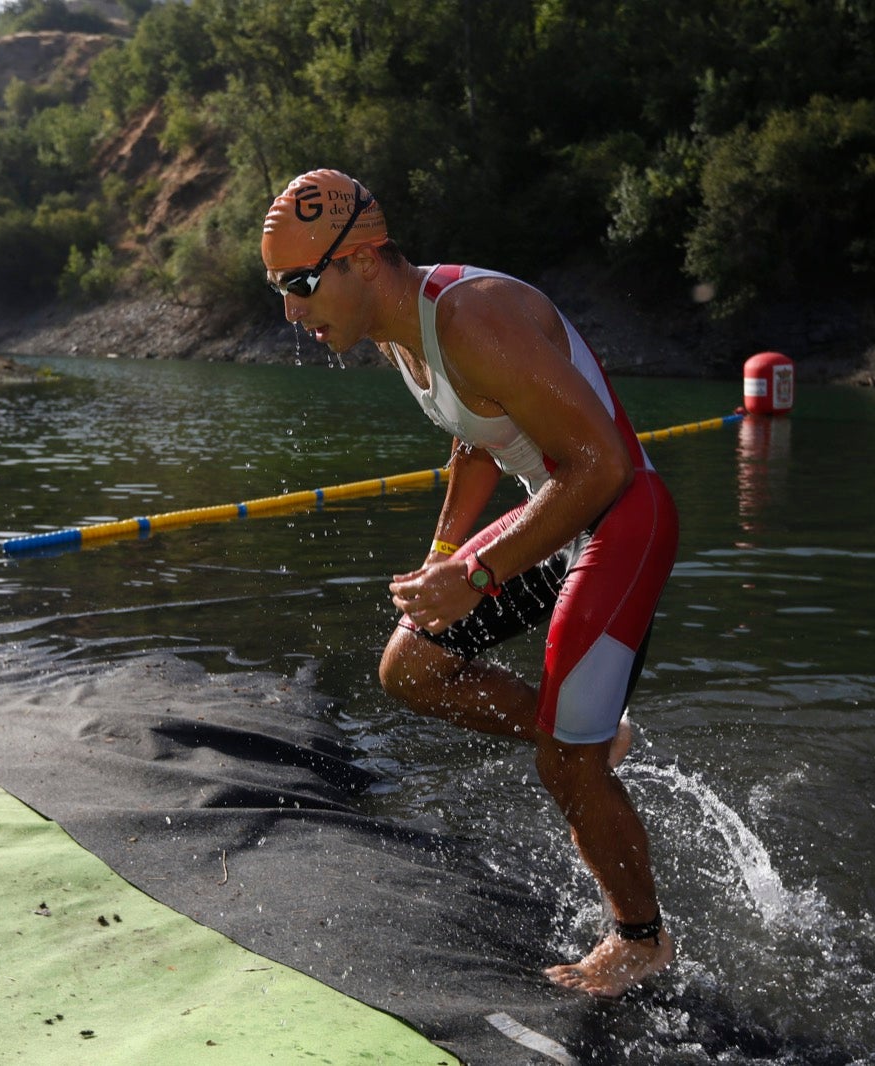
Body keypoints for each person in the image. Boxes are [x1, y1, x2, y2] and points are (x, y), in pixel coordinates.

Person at [260, 169, 680, 998]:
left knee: (565, 770)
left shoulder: (472, 316)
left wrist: (479, 572)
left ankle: (642, 937)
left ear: (365, 260)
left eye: (303, 284)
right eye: (279, 289)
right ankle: (587, 748)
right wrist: (444, 553)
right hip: (556, 517)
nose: (292, 313)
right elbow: (476, 436)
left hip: (620, 521)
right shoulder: (396, 326)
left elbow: (604, 465)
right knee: (410, 668)